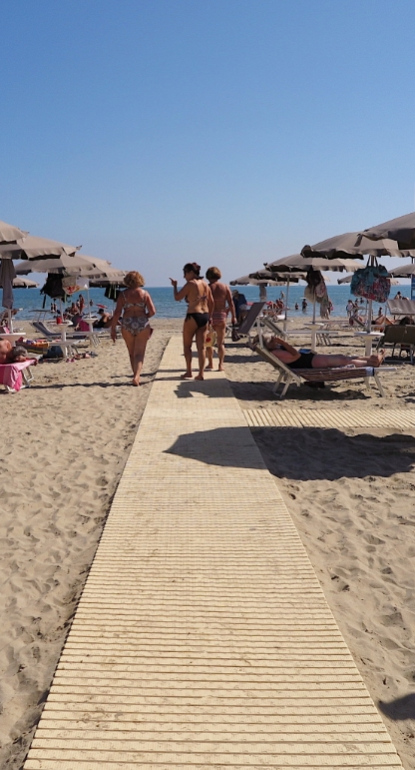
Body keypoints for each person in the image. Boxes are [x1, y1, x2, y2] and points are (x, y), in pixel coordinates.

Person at [110, 271, 156, 386]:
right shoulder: (145, 294)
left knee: (131, 353)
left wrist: (113, 328)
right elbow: (152, 311)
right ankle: (137, 376)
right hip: (142, 323)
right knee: (140, 353)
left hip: (127, 323)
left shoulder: (123, 295)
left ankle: (135, 375)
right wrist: (145, 316)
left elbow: (117, 313)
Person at [170, 262, 214, 380]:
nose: (184, 276)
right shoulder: (205, 285)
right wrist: (210, 316)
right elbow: (212, 302)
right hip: (204, 315)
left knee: (187, 345)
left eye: (185, 273)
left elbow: (177, 297)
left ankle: (189, 371)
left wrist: (174, 286)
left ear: (191, 272)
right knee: (202, 347)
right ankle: (201, 373)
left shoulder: (190, 284)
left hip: (193, 315)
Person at [263, 335, 385, 369]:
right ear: (269, 345)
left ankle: (371, 359)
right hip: (309, 362)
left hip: (310, 359)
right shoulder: (275, 353)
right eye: (272, 340)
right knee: (343, 360)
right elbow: (296, 355)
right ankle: (372, 362)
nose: (275, 341)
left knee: (343, 357)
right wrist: (282, 342)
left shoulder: (275, 350)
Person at [205, 266, 236, 371]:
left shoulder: (207, 287)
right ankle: (221, 364)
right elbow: (231, 303)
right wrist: (233, 317)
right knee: (220, 342)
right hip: (221, 315)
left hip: (210, 316)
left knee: (209, 342)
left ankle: (210, 363)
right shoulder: (225, 287)